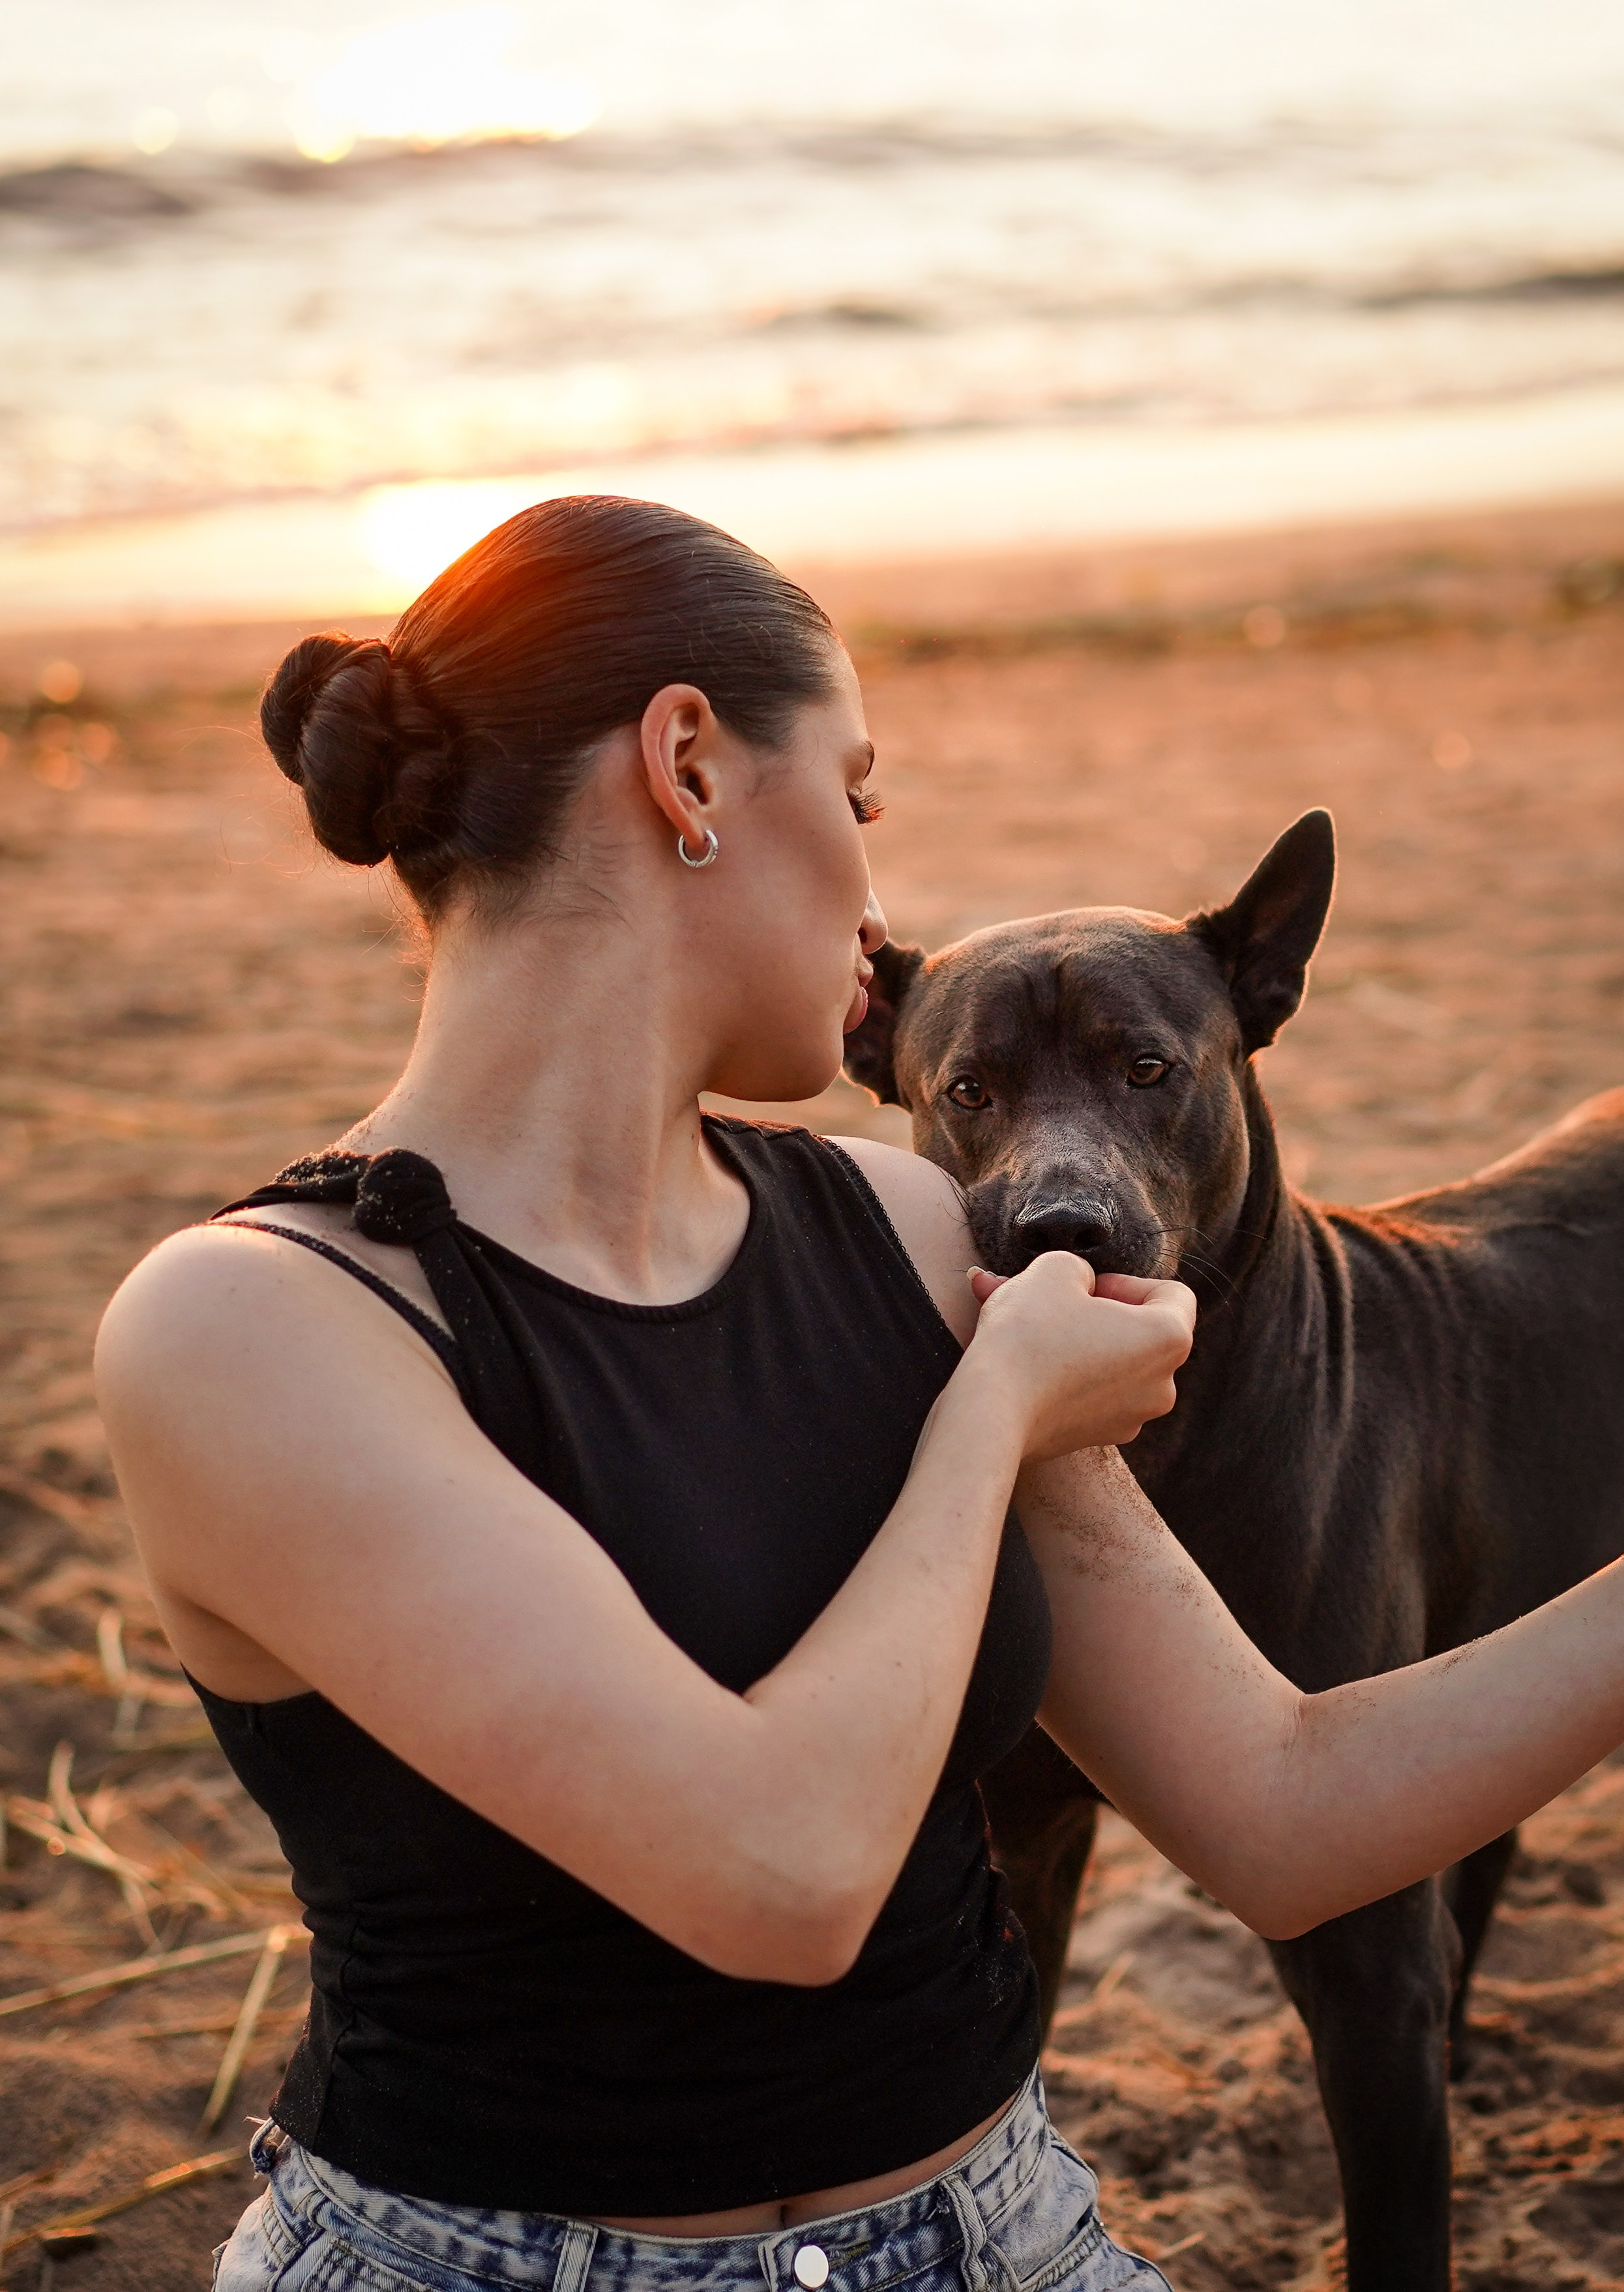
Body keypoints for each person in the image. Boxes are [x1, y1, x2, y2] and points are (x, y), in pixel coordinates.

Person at [96, 497, 1624, 2292]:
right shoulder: (245, 1326)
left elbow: (1282, 1813)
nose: (881, 899)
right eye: (861, 797)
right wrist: (993, 1418)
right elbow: (779, 1875)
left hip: (1011, 2238)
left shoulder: (903, 1229)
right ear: (689, 771)